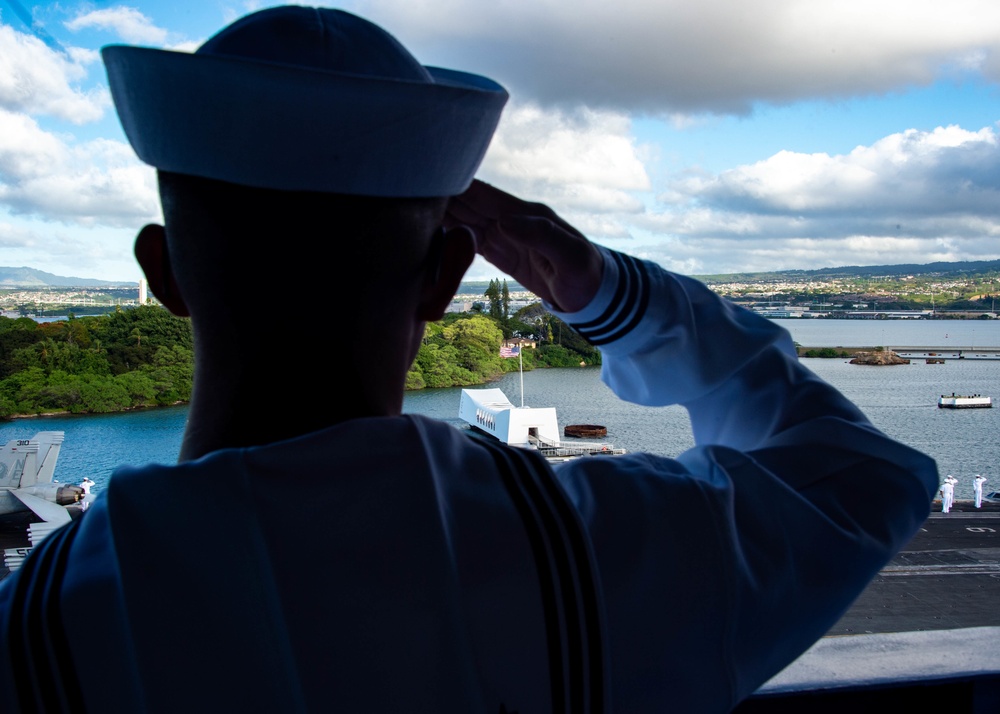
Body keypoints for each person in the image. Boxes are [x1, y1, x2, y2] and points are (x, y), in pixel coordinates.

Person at [0, 7, 937, 713]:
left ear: (162, 275)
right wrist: (612, 292)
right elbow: (866, 476)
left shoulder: (31, 629)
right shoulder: (600, 554)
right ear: (447, 277)